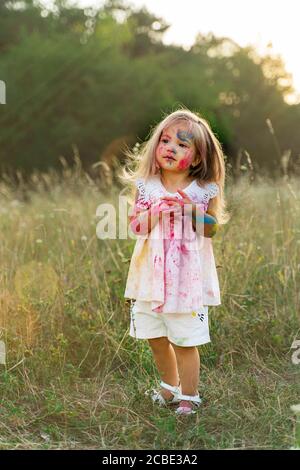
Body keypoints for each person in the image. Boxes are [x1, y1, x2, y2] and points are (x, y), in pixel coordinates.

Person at [120, 108, 230, 415]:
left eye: (183, 145)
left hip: (186, 280)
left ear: (196, 158)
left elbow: (211, 229)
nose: (171, 148)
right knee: (155, 337)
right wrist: (156, 211)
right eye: (166, 141)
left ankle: (188, 397)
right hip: (150, 278)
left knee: (184, 339)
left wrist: (191, 211)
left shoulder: (201, 191)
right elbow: (136, 226)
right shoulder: (147, 186)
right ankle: (169, 388)